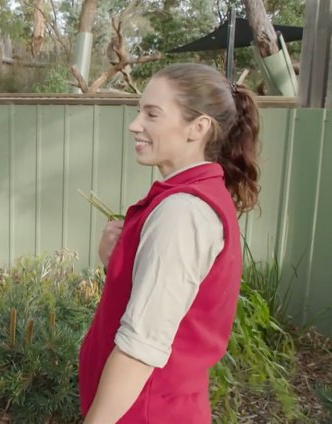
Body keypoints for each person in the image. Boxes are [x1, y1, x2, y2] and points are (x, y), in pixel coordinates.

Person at [78, 63, 260, 423]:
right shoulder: (193, 197)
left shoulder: (182, 212)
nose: (135, 124)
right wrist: (114, 264)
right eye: (138, 111)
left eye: (152, 114)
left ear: (199, 127)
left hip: (146, 412)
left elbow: (141, 347)